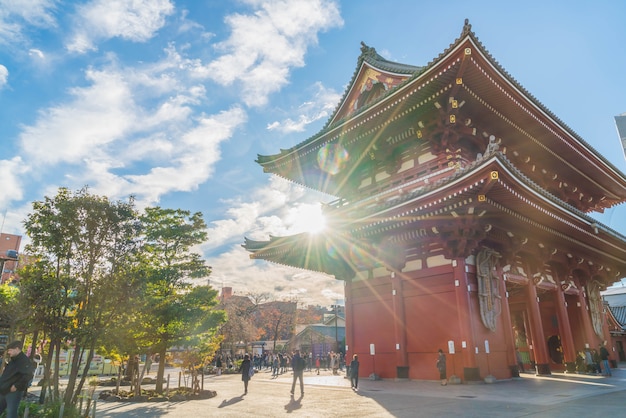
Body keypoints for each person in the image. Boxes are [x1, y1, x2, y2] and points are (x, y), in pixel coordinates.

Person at [0, 341, 35, 418]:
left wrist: (16, 386)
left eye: (10, 350)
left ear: (17, 349)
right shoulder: (13, 360)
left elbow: (29, 375)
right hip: (4, 390)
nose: (8, 352)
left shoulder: (24, 361)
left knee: (11, 414)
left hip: (13, 392)